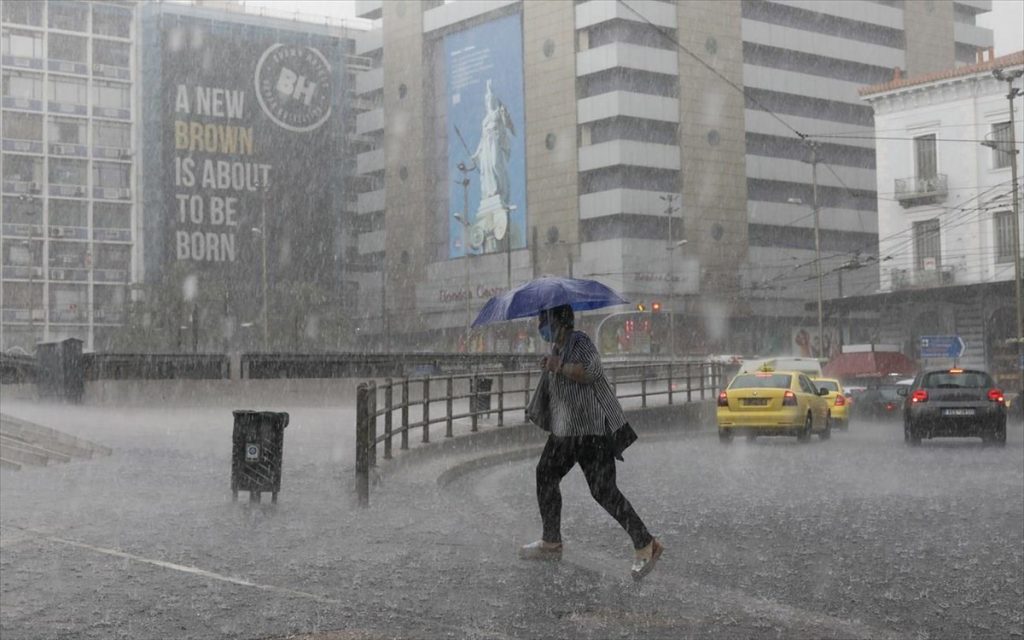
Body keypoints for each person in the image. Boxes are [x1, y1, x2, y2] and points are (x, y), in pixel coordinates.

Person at [519, 304, 664, 580]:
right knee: (546, 474)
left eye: (544, 320)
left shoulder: (580, 341)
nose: (540, 326)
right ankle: (551, 541)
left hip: (591, 432)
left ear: (559, 322)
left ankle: (647, 543)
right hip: (567, 432)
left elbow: (592, 371)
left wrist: (558, 367)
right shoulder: (558, 349)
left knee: (604, 491)